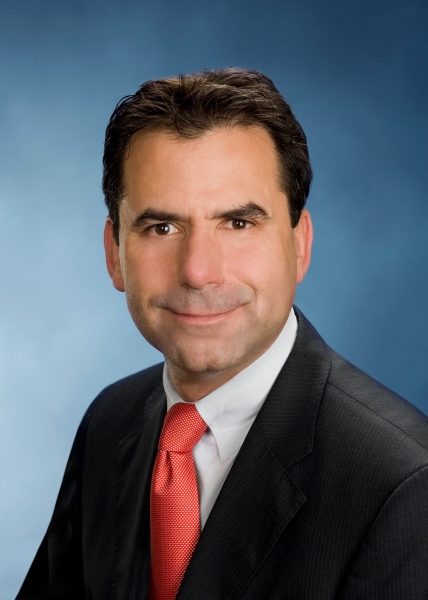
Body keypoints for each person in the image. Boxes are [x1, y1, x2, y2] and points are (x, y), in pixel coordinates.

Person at [17, 68, 428, 600]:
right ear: (114, 254)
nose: (197, 271)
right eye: (162, 227)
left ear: (299, 246)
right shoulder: (108, 422)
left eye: (238, 223)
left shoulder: (403, 483)